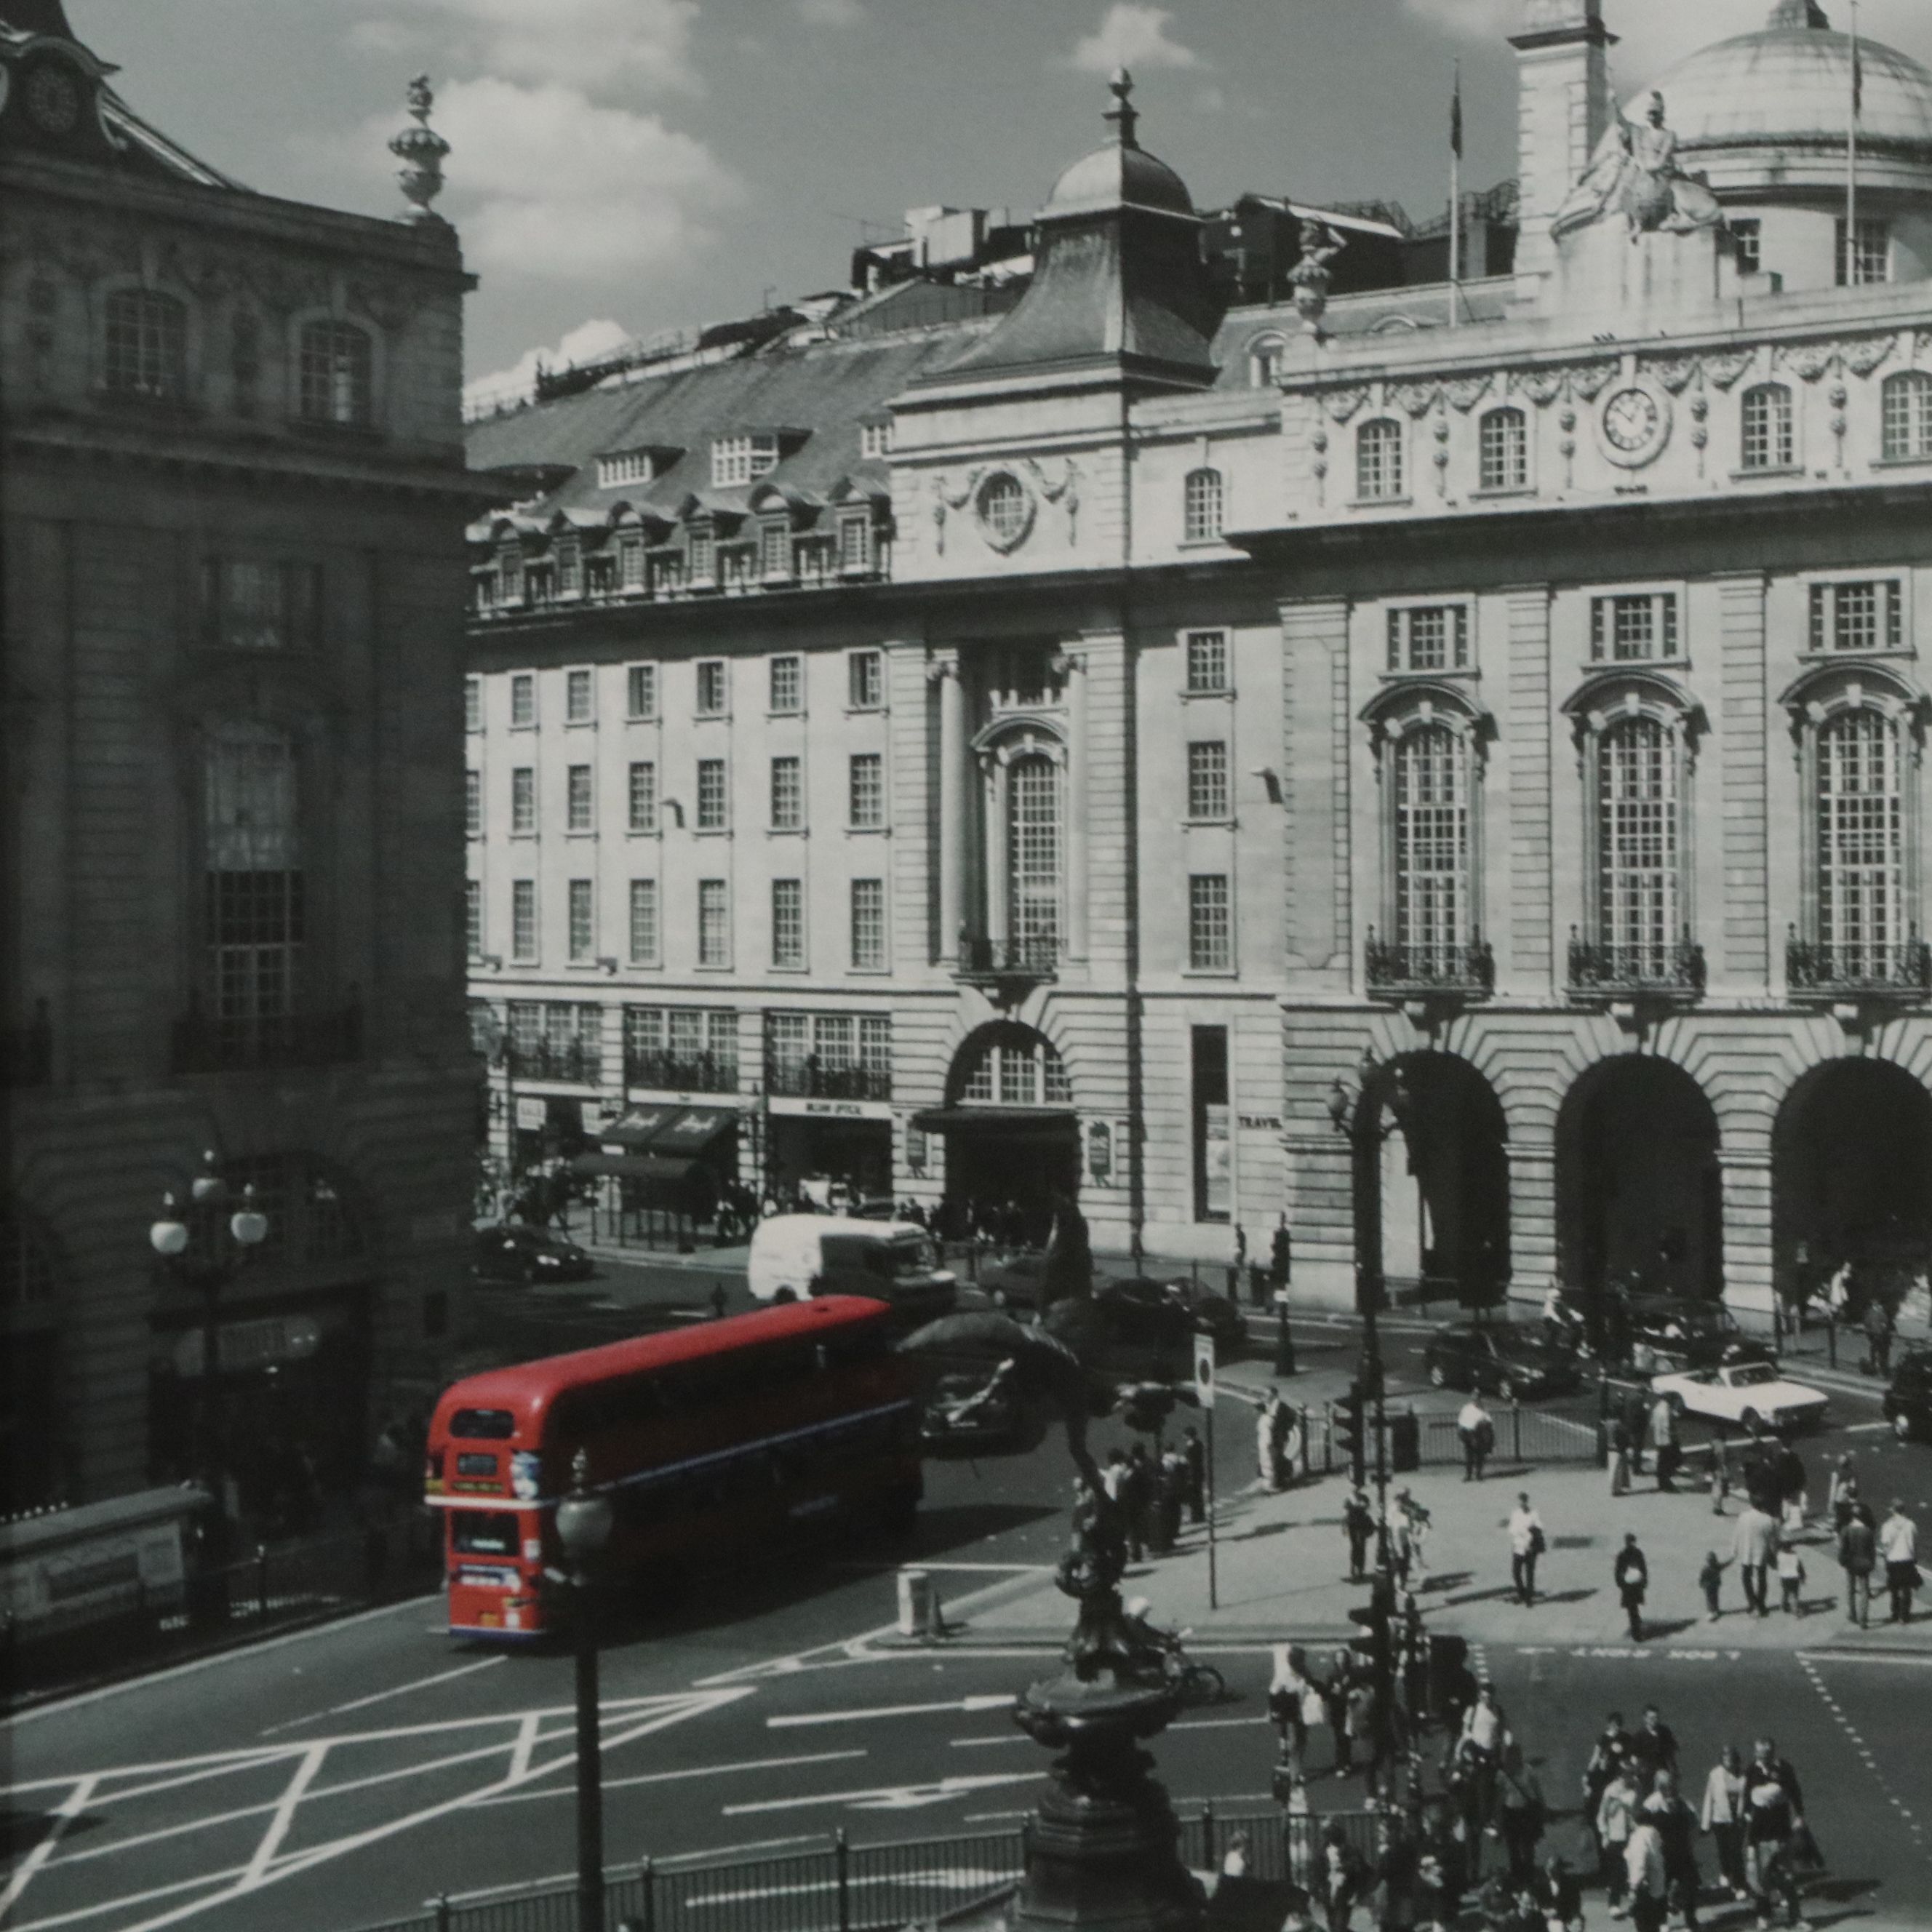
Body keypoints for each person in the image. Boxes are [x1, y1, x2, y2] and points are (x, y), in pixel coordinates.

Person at [1643, 1769, 1701, 1931]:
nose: (1670, 1790)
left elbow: (1694, 1824)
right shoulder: (1651, 1804)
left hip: (1683, 1853)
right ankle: (1662, 1921)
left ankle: (1691, 1920)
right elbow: (1641, 1826)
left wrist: (1691, 1845)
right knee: (1660, 1889)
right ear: (1659, 1787)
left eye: (1672, 1786)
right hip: (1662, 1854)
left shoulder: (1683, 1803)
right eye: (1665, 1786)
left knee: (1690, 1887)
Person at [1701, 1745, 1749, 1904]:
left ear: (1736, 1760)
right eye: (1726, 1759)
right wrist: (1705, 1823)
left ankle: (1739, 1885)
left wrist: (1747, 1816)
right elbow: (1709, 1798)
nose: (1729, 1762)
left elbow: (1747, 1798)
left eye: (1732, 1759)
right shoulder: (1715, 1775)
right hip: (1720, 1820)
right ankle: (1726, 1875)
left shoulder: (1744, 1776)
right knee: (1723, 1851)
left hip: (1738, 1821)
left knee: (1736, 1852)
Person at [1496, 1740, 1546, 1885]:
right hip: (1511, 1813)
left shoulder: (1528, 1770)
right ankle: (1518, 1876)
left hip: (1526, 1812)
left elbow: (1537, 1790)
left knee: (1527, 1846)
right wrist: (1498, 1817)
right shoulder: (1502, 1774)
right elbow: (1500, 1797)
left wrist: (1542, 1807)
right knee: (1513, 1847)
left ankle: (1528, 1875)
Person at [1594, 1764, 1640, 1917]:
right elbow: (1602, 1814)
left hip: (1632, 1836)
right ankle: (1614, 1904)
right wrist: (1605, 1834)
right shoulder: (1611, 1791)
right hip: (1615, 1836)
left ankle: (1636, 1904)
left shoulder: (1636, 1788)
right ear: (1621, 1776)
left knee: (1634, 1870)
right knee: (1617, 1871)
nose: (1633, 1777)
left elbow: (1638, 1811)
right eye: (1629, 1774)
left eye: (1633, 1774)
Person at [1624, 1815, 1669, 1932]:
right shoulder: (1654, 1834)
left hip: (1643, 1886)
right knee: (1653, 1923)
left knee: (1644, 1923)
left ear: (1634, 1821)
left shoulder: (1639, 1837)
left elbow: (1639, 1863)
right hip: (1657, 1885)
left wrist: (1634, 1887)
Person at [1733, 1500, 1778, 1618]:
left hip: (1746, 1550)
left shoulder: (1743, 1517)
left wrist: (1734, 1549)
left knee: (1746, 1578)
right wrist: (1774, 1555)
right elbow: (1773, 1540)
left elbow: (1737, 1533)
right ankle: (1761, 1603)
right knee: (1762, 1579)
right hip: (1761, 1552)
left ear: (1752, 1504)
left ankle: (1752, 1602)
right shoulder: (1769, 1520)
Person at [1880, 1496, 1919, 1624]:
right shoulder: (1911, 1525)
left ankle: (1894, 1613)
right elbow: (1914, 1544)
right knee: (1906, 1589)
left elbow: (1886, 1545)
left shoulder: (1887, 1525)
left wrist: (1886, 1558)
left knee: (1894, 1588)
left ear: (1892, 1510)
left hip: (1893, 1559)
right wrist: (1914, 1557)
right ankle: (1904, 1615)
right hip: (1907, 1558)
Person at [1838, 1501, 1877, 1629]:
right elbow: (1872, 1551)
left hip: (1850, 1563)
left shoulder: (1846, 1530)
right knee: (1864, 1591)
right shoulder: (1868, 1531)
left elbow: (1842, 1549)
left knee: (1851, 1589)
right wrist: (1872, 1563)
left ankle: (1852, 1614)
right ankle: (1863, 1619)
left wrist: (1842, 1561)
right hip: (1864, 1564)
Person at [1629, 1704, 1680, 1792]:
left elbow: (1671, 1753)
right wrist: (1636, 1774)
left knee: (1664, 1784)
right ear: (1645, 1719)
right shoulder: (1639, 1736)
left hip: (1662, 1771)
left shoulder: (1665, 1732)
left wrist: (1674, 1770)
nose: (1654, 1720)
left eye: (1656, 1718)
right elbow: (1634, 1757)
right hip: (1645, 1774)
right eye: (1651, 1718)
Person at [1506, 1492, 1546, 1605]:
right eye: (1520, 1502)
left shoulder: (1534, 1513)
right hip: (1518, 1547)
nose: (1522, 1504)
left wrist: (1531, 1531)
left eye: (1524, 1501)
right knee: (1516, 1572)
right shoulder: (1515, 1514)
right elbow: (1512, 1529)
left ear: (1527, 1502)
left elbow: (1540, 1527)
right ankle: (1522, 1593)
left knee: (1529, 1574)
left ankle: (1529, 1598)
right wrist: (1523, 1532)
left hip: (1530, 1548)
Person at [1650, 1392, 1681, 1493]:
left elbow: (1652, 1424)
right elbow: (1667, 1427)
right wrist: (1674, 1434)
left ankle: (1661, 1484)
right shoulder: (1667, 1411)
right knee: (1667, 1463)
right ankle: (1667, 1485)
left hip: (1658, 1439)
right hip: (1667, 1440)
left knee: (1661, 1463)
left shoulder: (1656, 1409)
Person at [1458, 1394, 1494, 1482]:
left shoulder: (1483, 1409)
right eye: (1474, 1399)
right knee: (1469, 1455)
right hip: (1468, 1432)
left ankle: (1478, 1474)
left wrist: (1484, 1424)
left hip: (1479, 1433)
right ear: (1472, 1399)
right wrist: (1462, 1433)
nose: (1476, 1401)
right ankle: (1468, 1475)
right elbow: (1461, 1420)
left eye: (1477, 1399)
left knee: (1479, 1455)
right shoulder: (1467, 1408)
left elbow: (1489, 1421)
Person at [1344, 1488, 1376, 1583]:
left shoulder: (1364, 1498)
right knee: (1355, 1546)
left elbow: (1369, 1507)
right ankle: (1354, 1566)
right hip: (1352, 1525)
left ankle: (1360, 1569)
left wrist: (1364, 1506)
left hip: (1362, 1525)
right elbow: (1346, 1513)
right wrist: (1345, 1526)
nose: (1357, 1491)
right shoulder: (1349, 1499)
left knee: (1362, 1546)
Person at [1775, 1538, 1807, 1616]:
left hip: (1784, 1578)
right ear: (1791, 1547)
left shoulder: (1780, 1556)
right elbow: (1800, 1568)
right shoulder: (1795, 1556)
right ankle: (1795, 1609)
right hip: (1794, 1578)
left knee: (1785, 1592)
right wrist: (1803, 1577)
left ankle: (1783, 1606)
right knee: (1794, 1594)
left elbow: (1777, 1566)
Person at [1183, 1426, 1207, 1526]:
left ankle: (1195, 1517)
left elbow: (1190, 1460)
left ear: (1188, 1435)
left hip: (1192, 1472)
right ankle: (1201, 1516)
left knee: (1193, 1495)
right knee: (1199, 1494)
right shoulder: (1199, 1443)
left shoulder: (1190, 1445)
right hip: (1199, 1471)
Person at [1699, 1549, 1729, 1622]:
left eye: (1712, 1560)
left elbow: (1725, 1564)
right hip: (1708, 1587)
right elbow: (1702, 1578)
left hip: (1715, 1586)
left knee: (1715, 1598)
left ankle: (1715, 1610)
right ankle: (1711, 1612)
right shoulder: (1706, 1569)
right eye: (1710, 1561)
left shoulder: (1716, 1567)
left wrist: (1732, 1559)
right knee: (1710, 1599)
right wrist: (1702, 1584)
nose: (1711, 1562)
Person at [1608, 1409, 1632, 1498]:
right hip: (1619, 1449)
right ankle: (1617, 1489)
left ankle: (1615, 1488)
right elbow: (1623, 1438)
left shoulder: (1609, 1424)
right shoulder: (1620, 1426)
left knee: (1613, 1469)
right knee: (1618, 1470)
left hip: (1611, 1448)